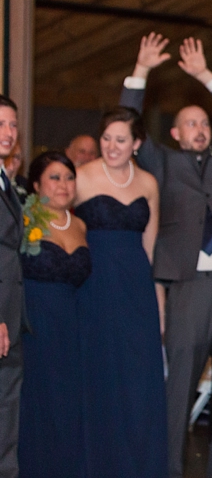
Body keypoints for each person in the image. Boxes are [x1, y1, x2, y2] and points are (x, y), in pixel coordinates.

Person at [119, 33, 212, 478]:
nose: (200, 129)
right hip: (187, 286)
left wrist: (205, 75)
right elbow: (126, 124)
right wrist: (140, 72)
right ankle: (169, 470)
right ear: (175, 134)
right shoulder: (162, 164)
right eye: (191, 124)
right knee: (179, 389)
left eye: (205, 122)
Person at [74, 106, 167, 477]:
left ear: (137, 144)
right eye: (107, 138)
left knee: (137, 382)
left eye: (121, 140)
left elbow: (151, 246)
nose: (112, 146)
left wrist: (158, 303)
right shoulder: (80, 177)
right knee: (98, 377)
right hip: (93, 287)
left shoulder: (148, 183)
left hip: (137, 291)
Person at [18, 152, 91, 478]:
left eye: (69, 177)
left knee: (68, 404)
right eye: (54, 177)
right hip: (35, 323)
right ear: (35, 185)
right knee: (38, 402)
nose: (63, 185)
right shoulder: (23, 219)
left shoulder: (80, 224)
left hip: (72, 325)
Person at [0, 95, 24, 478]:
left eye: (13, 125)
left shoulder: (5, 178)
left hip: (13, 311)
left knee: (6, 408)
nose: (8, 133)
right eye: (0, 123)